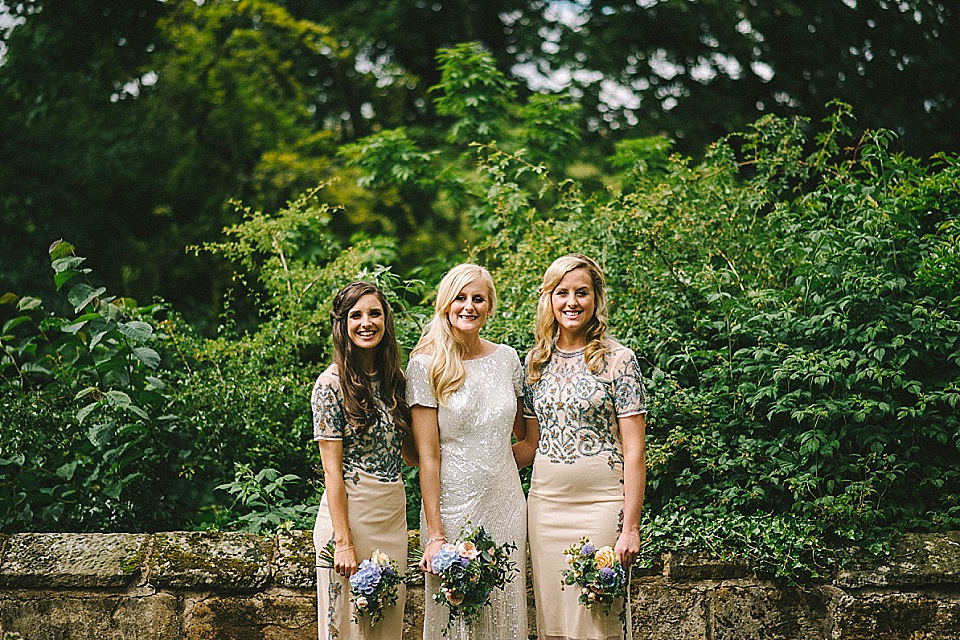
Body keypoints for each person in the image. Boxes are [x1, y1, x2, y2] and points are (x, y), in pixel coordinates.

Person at [515, 254, 648, 640]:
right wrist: (469, 464)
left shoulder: (619, 361)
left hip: (602, 507)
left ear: (596, 299)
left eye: (581, 293)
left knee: (598, 621)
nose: (571, 302)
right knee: (554, 624)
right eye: (562, 293)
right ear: (549, 299)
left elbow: (635, 451)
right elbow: (530, 444)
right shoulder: (535, 363)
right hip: (545, 508)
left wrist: (631, 528)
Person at [407, 263, 528, 640]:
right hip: (451, 506)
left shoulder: (508, 359)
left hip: (506, 504)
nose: (468, 306)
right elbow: (428, 456)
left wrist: (496, 470)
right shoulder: (425, 365)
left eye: (478, 298)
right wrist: (436, 535)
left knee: (505, 610)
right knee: (455, 616)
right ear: (446, 303)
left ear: (490, 305)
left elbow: (525, 440)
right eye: (460, 297)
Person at [312, 281, 413, 640]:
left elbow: (414, 456)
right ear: (343, 324)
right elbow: (331, 470)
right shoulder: (330, 385)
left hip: (392, 517)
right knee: (347, 628)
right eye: (356, 315)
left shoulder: (395, 382)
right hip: (351, 518)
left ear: (386, 321)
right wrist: (343, 541)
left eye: (375, 313)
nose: (366, 322)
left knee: (386, 628)